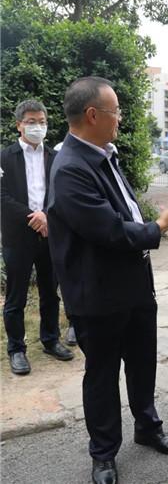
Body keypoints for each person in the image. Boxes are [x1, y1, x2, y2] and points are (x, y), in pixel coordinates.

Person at [48, 76, 168, 484]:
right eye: (116, 111)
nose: (120, 119)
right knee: (103, 375)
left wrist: (146, 229)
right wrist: (158, 227)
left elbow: (123, 210)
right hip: (98, 294)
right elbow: (108, 230)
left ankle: (147, 426)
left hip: (134, 285)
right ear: (93, 115)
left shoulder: (103, 154)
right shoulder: (71, 168)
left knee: (142, 364)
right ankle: (104, 453)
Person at [1, 99, 73, 375]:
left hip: (48, 234)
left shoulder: (55, 157)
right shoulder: (4, 157)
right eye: (31, 122)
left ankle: (50, 339)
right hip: (18, 237)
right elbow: (2, 196)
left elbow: (61, 192)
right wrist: (34, 216)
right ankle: (16, 349)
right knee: (16, 296)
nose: (37, 127)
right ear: (19, 125)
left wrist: (46, 215)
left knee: (50, 293)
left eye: (42, 122)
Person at [49, 139, 77, 347]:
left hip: (72, 229)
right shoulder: (59, 152)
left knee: (73, 278)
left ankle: (74, 323)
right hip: (50, 229)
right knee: (57, 283)